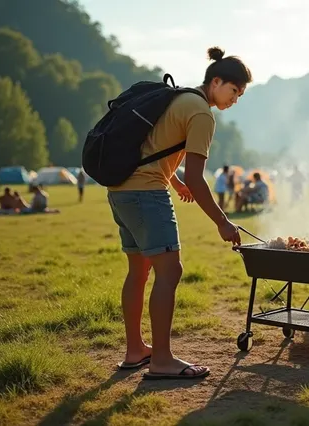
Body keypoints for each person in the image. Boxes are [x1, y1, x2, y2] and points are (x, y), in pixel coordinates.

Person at [106, 46, 251, 380]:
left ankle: (135, 351)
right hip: (147, 195)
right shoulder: (201, 113)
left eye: (240, 95)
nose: (235, 99)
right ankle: (162, 360)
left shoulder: (178, 97)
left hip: (121, 193)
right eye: (234, 91)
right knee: (170, 272)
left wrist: (175, 179)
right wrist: (223, 222)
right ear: (216, 81)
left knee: (138, 272)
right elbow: (201, 180)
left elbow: (152, 148)